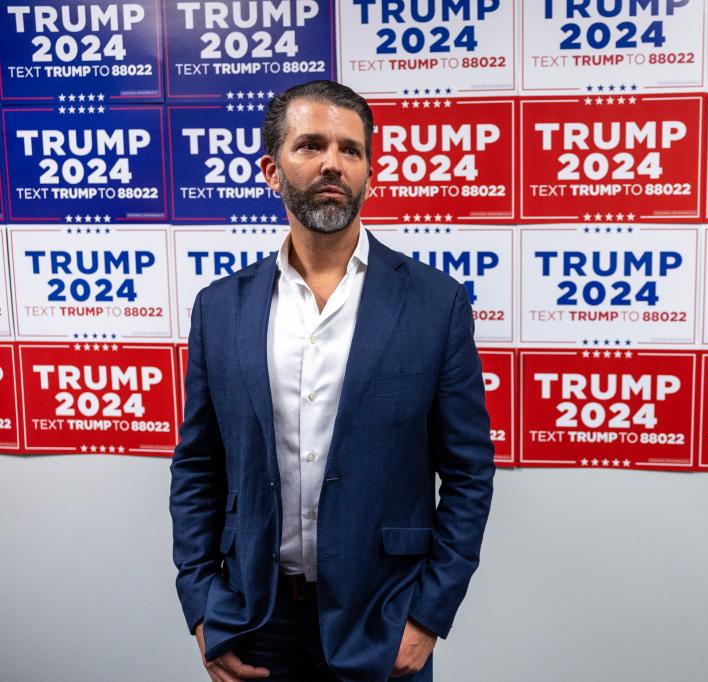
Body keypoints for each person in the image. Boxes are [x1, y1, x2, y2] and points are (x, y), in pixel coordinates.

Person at [170, 80, 496, 681]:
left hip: (384, 619)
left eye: (350, 150)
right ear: (272, 170)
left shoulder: (433, 304)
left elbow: (470, 472)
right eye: (311, 145)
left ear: (370, 171)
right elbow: (197, 466)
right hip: (255, 620)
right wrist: (202, 607)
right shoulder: (220, 308)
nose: (332, 163)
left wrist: (428, 617)